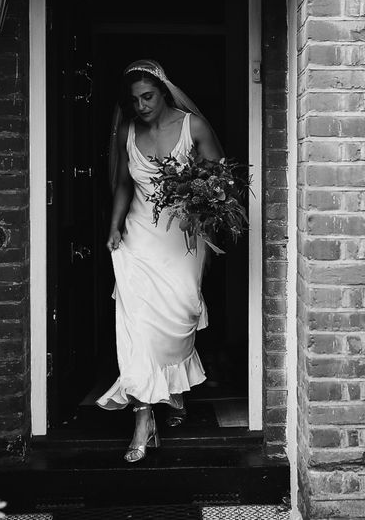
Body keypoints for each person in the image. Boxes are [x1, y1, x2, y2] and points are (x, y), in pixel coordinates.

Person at [98, 59, 222, 463]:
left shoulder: (193, 128)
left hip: (182, 239)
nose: (141, 106)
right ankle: (143, 416)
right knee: (137, 324)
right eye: (134, 100)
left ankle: (174, 388)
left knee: (179, 315)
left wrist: (198, 206)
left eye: (147, 96)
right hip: (137, 236)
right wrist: (115, 226)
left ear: (164, 92)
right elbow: (122, 184)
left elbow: (222, 180)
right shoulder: (127, 131)